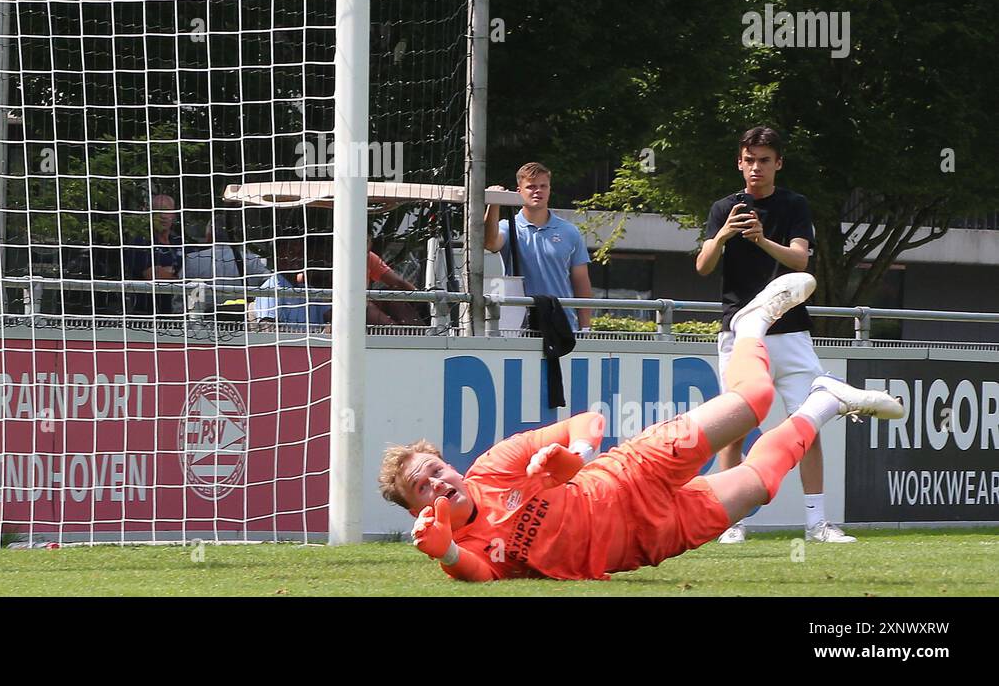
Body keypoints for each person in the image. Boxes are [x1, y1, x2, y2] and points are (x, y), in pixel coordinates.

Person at [381, 274, 904, 582]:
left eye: (434, 470)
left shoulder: (493, 468)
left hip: (629, 471)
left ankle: (748, 326)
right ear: (419, 511)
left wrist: (578, 457)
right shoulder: (458, 547)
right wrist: (445, 551)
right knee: (760, 486)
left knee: (754, 399)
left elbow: (588, 421)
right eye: (422, 488)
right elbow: (476, 573)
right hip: (644, 537)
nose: (437, 483)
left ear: (450, 464)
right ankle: (823, 402)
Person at [694, 125, 845, 543]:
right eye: (748, 160)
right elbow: (703, 266)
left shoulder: (794, 205)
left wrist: (762, 239)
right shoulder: (723, 207)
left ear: (778, 163)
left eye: (763, 160)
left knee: (806, 424)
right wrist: (723, 234)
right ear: (739, 162)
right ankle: (731, 521)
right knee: (734, 426)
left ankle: (817, 523)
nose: (755, 167)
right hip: (739, 332)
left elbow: (799, 261)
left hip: (791, 331)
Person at [484, 161, 592, 331]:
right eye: (531, 187)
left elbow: (581, 281)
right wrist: (494, 203)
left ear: (549, 189)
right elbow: (490, 243)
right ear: (519, 192)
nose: (538, 191)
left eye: (543, 186)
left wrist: (585, 327)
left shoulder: (570, 231)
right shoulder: (508, 226)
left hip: (562, 323)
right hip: (518, 326)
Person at [181, 220, 271, 317]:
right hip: (243, 322)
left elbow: (178, 299)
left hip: (204, 325)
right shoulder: (251, 260)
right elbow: (270, 286)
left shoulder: (192, 260)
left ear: (208, 236)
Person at [252, 238, 330, 327]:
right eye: (291, 253)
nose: (298, 258)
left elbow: (330, 315)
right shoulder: (269, 289)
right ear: (277, 257)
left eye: (301, 253)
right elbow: (267, 329)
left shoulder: (309, 289)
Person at [126, 193, 183, 315]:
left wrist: (169, 273)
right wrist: (179, 277)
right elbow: (153, 275)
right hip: (145, 315)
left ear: (174, 214)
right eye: (158, 211)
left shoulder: (179, 241)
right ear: (150, 214)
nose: (162, 216)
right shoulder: (141, 242)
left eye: (167, 211)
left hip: (176, 314)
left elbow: (192, 271)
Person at [366, 248, 424, 326]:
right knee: (366, 306)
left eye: (368, 241)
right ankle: (398, 333)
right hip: (352, 306)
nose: (365, 245)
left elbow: (398, 282)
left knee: (393, 296)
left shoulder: (369, 257)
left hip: (365, 301)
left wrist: (424, 298)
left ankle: (422, 332)